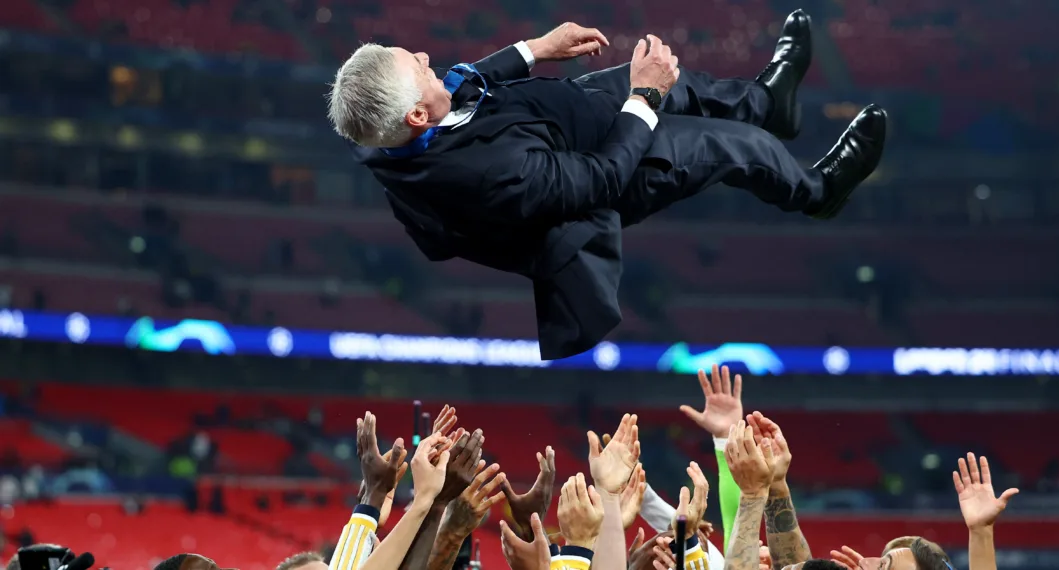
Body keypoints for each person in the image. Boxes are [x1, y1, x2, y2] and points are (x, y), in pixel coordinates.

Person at [329, 12, 889, 360]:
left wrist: (535, 50)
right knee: (733, 147)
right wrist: (642, 100)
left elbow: (460, 81)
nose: (430, 59)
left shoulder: (389, 126)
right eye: (419, 68)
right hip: (610, 163)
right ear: (418, 118)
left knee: (682, 81)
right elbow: (600, 179)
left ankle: (770, 103)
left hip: (562, 120)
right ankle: (818, 192)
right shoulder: (491, 177)